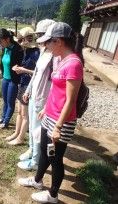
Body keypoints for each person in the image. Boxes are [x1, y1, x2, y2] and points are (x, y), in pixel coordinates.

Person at [18, 22, 84, 203]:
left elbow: (70, 100)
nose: (45, 46)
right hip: (50, 115)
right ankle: (38, 181)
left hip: (61, 121)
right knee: (44, 150)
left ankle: (53, 195)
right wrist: (47, 108)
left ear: (59, 41)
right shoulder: (60, 59)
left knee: (55, 158)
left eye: (48, 42)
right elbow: (56, 90)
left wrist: (58, 127)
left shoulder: (74, 64)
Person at [17, 19, 56, 170]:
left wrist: (47, 105)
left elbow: (54, 84)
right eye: (38, 34)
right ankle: (31, 150)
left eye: (41, 34)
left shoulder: (54, 56)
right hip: (34, 95)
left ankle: (35, 161)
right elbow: (36, 75)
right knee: (33, 130)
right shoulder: (44, 51)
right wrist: (28, 91)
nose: (39, 38)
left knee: (38, 132)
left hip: (43, 100)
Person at [6, 27, 39, 145]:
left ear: (28, 39)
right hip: (23, 83)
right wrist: (19, 69)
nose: (19, 43)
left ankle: (20, 138)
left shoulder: (36, 52)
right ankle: (16, 133)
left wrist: (23, 70)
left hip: (29, 85)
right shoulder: (26, 51)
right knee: (19, 111)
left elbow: (38, 72)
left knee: (25, 114)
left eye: (20, 40)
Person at [0, 28, 24, 129]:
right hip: (5, 78)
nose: (0, 44)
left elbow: (21, 64)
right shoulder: (4, 48)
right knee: (5, 100)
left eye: (1, 42)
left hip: (13, 80)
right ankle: (2, 118)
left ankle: (5, 122)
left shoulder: (17, 49)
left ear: (7, 39)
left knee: (10, 102)